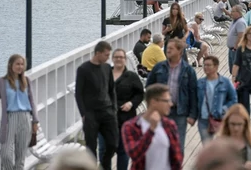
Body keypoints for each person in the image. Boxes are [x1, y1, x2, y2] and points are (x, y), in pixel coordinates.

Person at [145, 39, 198, 153]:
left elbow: (193, 92)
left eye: (171, 48)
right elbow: (149, 88)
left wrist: (193, 115)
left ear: (180, 51)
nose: (167, 50)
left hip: (180, 112)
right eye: (167, 48)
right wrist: (150, 109)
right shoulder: (158, 68)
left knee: (177, 147)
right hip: (160, 112)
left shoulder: (188, 70)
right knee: (160, 145)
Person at [0, 54, 39, 170]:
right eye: (17, 64)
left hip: (25, 118)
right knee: (5, 153)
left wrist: (35, 121)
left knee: (20, 157)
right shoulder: (2, 82)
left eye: (22, 64)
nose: (20, 67)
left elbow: (32, 101)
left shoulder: (26, 81)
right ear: (11, 65)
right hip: (10, 119)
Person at [74, 41, 117, 170]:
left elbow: (111, 89)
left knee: (113, 143)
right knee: (91, 147)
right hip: (91, 113)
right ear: (97, 53)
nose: (107, 58)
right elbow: (78, 94)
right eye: (106, 55)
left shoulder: (107, 68)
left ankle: (104, 163)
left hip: (107, 111)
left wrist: (113, 108)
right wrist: (83, 114)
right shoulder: (83, 69)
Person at [121, 83, 183, 170]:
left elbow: (177, 157)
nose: (171, 104)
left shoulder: (169, 125)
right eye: (167, 101)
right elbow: (134, 154)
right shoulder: (131, 126)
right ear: (154, 102)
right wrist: (151, 130)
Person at [101, 49, 145, 170]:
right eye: (116, 57)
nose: (119, 59)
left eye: (121, 57)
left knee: (123, 150)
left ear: (125, 60)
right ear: (112, 59)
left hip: (125, 118)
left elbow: (140, 94)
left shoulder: (132, 77)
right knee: (104, 150)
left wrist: (131, 103)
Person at [216, 104, 251, 170]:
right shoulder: (219, 142)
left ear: (245, 124)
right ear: (227, 123)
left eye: (239, 124)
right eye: (232, 124)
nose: (236, 128)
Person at [197, 56, 237, 141]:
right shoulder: (199, 83)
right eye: (204, 65)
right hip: (203, 120)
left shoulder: (225, 82)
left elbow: (233, 99)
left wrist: (223, 109)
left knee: (221, 146)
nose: (206, 67)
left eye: (208, 65)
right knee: (207, 147)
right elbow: (194, 100)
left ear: (216, 66)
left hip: (220, 119)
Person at [227, 6, 248, 74]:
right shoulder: (234, 21)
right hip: (232, 49)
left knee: (236, 70)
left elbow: (241, 36)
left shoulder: (240, 22)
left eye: (233, 11)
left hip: (236, 50)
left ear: (238, 12)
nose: (231, 13)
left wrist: (235, 47)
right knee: (232, 69)